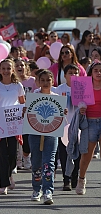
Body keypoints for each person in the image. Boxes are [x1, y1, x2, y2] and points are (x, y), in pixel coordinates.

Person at [24, 70, 66, 205]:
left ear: (52, 81)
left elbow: (60, 119)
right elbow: (27, 113)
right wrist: (26, 110)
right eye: (43, 80)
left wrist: (63, 112)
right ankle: (37, 189)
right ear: (38, 82)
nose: (46, 83)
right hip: (35, 133)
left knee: (49, 162)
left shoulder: (56, 97)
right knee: (36, 162)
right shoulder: (33, 96)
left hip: (51, 134)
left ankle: (48, 191)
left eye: (48, 80)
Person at [0, 59, 25, 194]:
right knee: (2, 153)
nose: (5, 71)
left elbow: (23, 103)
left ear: (12, 70)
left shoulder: (18, 86)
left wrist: (22, 113)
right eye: (3, 69)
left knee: (12, 153)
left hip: (14, 123)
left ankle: (9, 174)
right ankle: (3, 183)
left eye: (8, 68)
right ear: (0, 70)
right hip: (0, 123)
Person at [74, 61, 101, 195]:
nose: (99, 73)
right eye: (96, 70)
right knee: (87, 155)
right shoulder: (85, 86)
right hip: (89, 122)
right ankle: (81, 179)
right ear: (91, 72)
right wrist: (81, 108)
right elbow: (78, 103)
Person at [55, 64, 81, 191]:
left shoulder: (83, 88)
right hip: (62, 127)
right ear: (64, 76)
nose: (73, 75)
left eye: (76, 73)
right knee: (64, 154)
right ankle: (66, 180)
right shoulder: (59, 89)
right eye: (70, 73)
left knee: (78, 154)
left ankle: (75, 177)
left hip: (79, 128)